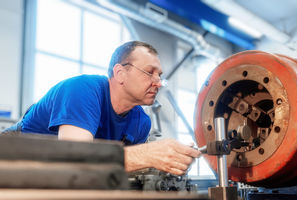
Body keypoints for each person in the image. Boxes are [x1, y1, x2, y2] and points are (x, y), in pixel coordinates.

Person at [3, 41, 200, 175]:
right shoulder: (82, 90)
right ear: (120, 73)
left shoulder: (141, 122)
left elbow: (117, 170)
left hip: (56, 180)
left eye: (160, 76)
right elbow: (75, 159)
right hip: (11, 160)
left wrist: (168, 164)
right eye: (149, 73)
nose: (158, 83)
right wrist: (148, 155)